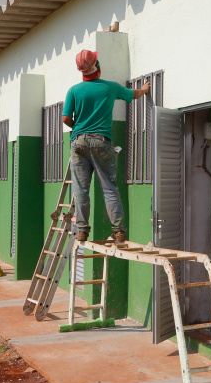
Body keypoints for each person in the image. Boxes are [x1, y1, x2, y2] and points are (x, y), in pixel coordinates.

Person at [62, 49, 150, 244]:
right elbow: (134, 94)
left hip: (78, 142)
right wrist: (144, 89)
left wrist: (78, 129)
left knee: (81, 190)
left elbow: (66, 118)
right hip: (101, 141)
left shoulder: (74, 90)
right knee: (109, 188)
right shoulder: (110, 87)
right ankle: (118, 231)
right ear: (97, 65)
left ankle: (82, 230)